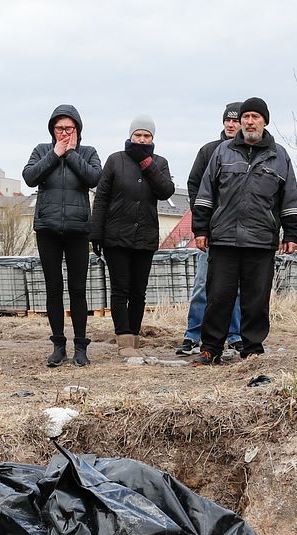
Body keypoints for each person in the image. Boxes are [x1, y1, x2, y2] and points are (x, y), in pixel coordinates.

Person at [190, 97, 297, 366]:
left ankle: (252, 349)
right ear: (239, 122)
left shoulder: (279, 156)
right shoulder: (222, 152)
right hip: (225, 238)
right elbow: (206, 193)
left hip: (261, 240)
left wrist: (292, 234)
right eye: (245, 117)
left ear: (265, 121)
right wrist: (201, 228)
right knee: (218, 297)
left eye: (255, 117)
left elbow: (289, 199)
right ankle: (210, 349)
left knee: (256, 299)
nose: (249, 121)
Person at [22, 104, 103, 367]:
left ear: (78, 129)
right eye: (59, 129)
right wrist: (55, 154)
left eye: (69, 128)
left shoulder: (88, 153)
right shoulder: (42, 151)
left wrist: (70, 153)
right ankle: (58, 345)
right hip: (47, 229)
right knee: (53, 288)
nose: (64, 133)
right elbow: (29, 177)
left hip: (78, 230)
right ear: (52, 130)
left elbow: (94, 178)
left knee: (78, 290)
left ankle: (81, 346)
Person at [90, 114, 176, 359]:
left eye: (146, 136)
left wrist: (147, 164)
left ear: (153, 138)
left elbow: (165, 190)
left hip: (145, 236)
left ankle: (135, 339)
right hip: (116, 237)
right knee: (120, 290)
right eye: (137, 135)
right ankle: (123, 340)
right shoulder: (115, 160)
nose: (141, 139)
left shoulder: (159, 162)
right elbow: (102, 198)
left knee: (139, 291)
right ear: (130, 136)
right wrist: (96, 233)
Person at [175, 103, 244, 357]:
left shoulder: (249, 153)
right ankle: (193, 334)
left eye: (235, 121)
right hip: (211, 230)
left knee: (234, 286)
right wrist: (202, 218)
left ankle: (235, 335)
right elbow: (194, 183)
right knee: (203, 283)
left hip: (237, 232)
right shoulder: (208, 151)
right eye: (227, 120)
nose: (231, 124)